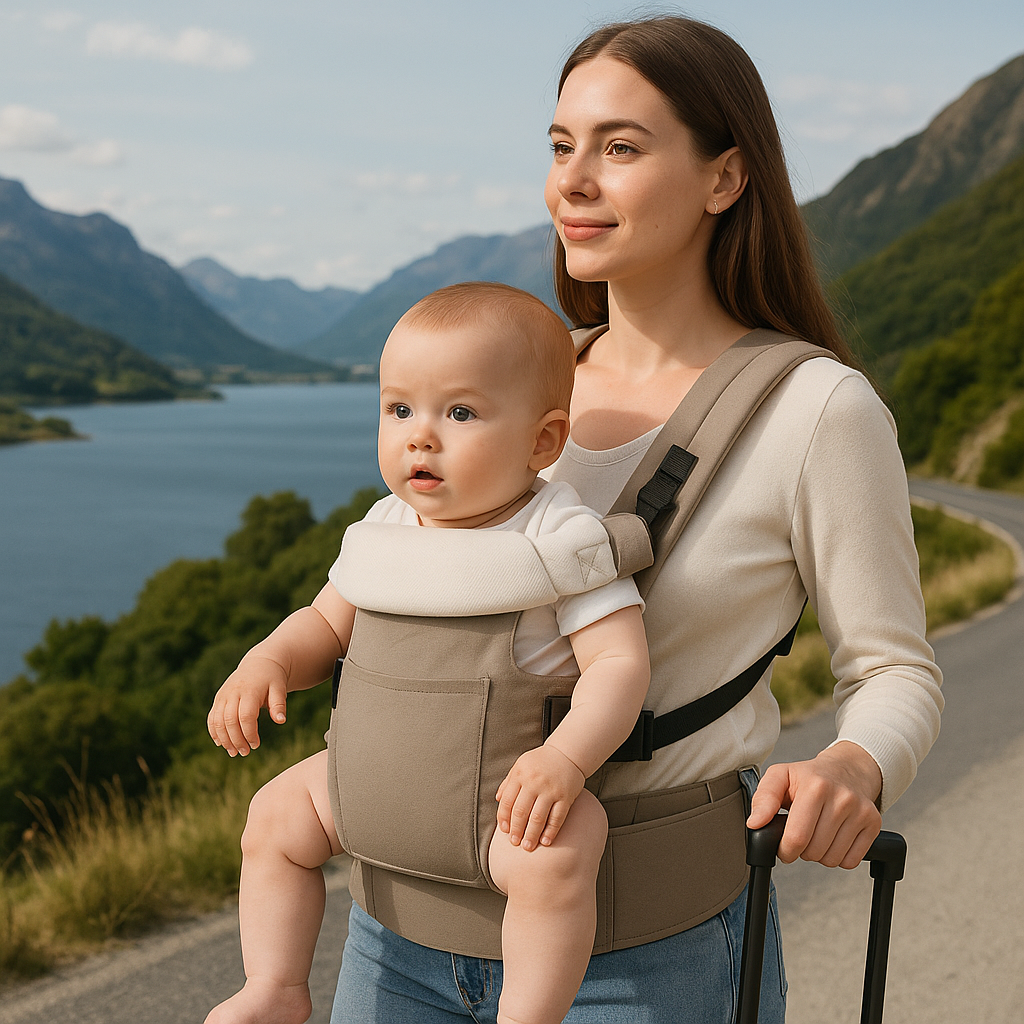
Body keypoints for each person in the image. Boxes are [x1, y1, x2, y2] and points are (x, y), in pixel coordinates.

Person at [327, 15, 944, 1024]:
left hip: (649, 955)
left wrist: (852, 763)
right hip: (395, 932)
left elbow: (894, 670)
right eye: (560, 146)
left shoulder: (816, 410)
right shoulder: (510, 382)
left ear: (724, 177)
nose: (571, 181)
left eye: (619, 148)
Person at [204, 282, 651, 1024]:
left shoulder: (557, 538)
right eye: (399, 409)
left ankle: (527, 1014)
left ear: (543, 442)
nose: (421, 436)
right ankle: (275, 985)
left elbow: (619, 665)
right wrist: (269, 662)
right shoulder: (386, 526)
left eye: (460, 413)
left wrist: (566, 759)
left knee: (563, 852)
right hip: (364, 790)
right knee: (276, 815)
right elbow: (324, 624)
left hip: (496, 807)